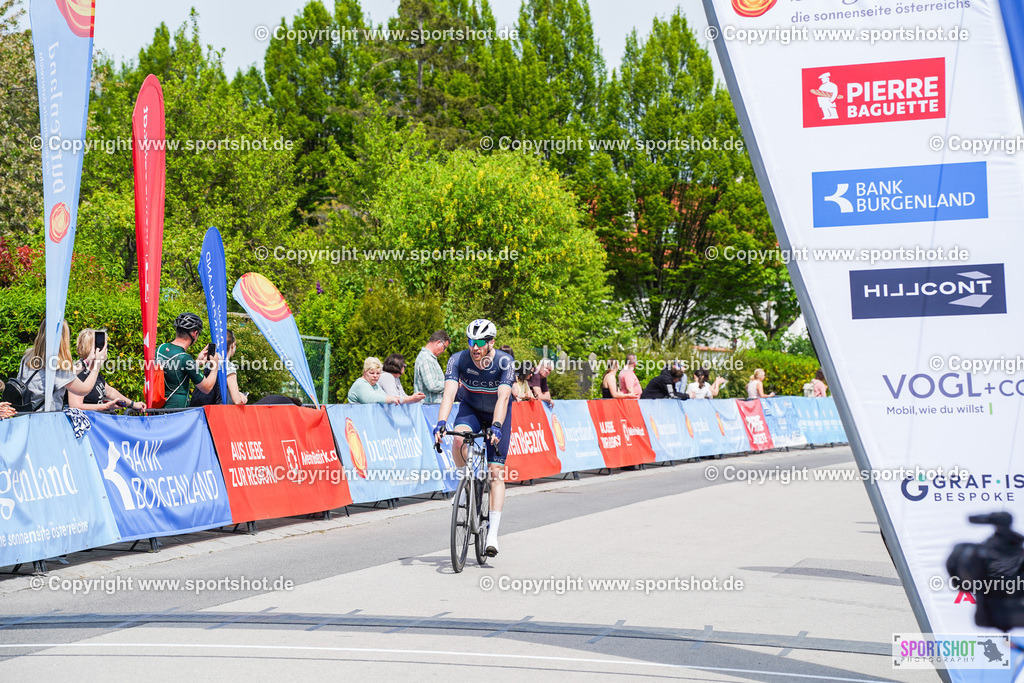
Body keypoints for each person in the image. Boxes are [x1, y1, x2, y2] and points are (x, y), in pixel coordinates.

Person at [433, 319, 514, 557]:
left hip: (498, 414)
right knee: (458, 441)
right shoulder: (458, 360)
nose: (474, 347)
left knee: (495, 472)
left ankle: (492, 535)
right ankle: (467, 484)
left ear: (491, 342)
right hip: (471, 410)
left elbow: (503, 399)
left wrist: (497, 426)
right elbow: (449, 395)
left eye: (479, 342)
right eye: (471, 341)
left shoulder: (504, 362)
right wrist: (441, 423)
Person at [18, 318, 107, 411]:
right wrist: (97, 364)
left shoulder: (28, 357)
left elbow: (67, 376)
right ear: (63, 338)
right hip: (45, 418)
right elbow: (83, 389)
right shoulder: (57, 364)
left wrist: (87, 361)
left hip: (26, 415)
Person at [156, 313, 220, 409]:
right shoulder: (185, 358)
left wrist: (197, 363)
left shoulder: (161, 348)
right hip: (175, 415)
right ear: (195, 334)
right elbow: (207, 388)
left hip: (156, 410)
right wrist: (215, 365)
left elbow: (176, 371)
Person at [69, 329, 144, 411]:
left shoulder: (93, 370)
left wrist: (133, 404)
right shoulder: (79, 371)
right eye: (104, 346)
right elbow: (75, 406)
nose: (107, 349)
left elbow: (110, 392)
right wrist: (105, 407)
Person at [189, 330, 248, 406]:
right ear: (233, 346)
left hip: (202, 409)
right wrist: (243, 398)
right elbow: (236, 401)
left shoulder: (209, 363)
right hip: (217, 412)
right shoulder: (228, 366)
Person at [348, 357, 422, 404]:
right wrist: (391, 398)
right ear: (364, 372)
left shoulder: (375, 384)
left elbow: (384, 396)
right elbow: (370, 399)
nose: (375, 376)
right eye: (371, 373)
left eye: (378, 373)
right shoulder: (360, 384)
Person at [413, 330, 450, 404]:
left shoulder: (429, 358)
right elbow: (432, 386)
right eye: (444, 347)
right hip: (428, 409)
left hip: (430, 408)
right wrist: (450, 383)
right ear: (438, 342)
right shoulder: (426, 358)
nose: (444, 351)